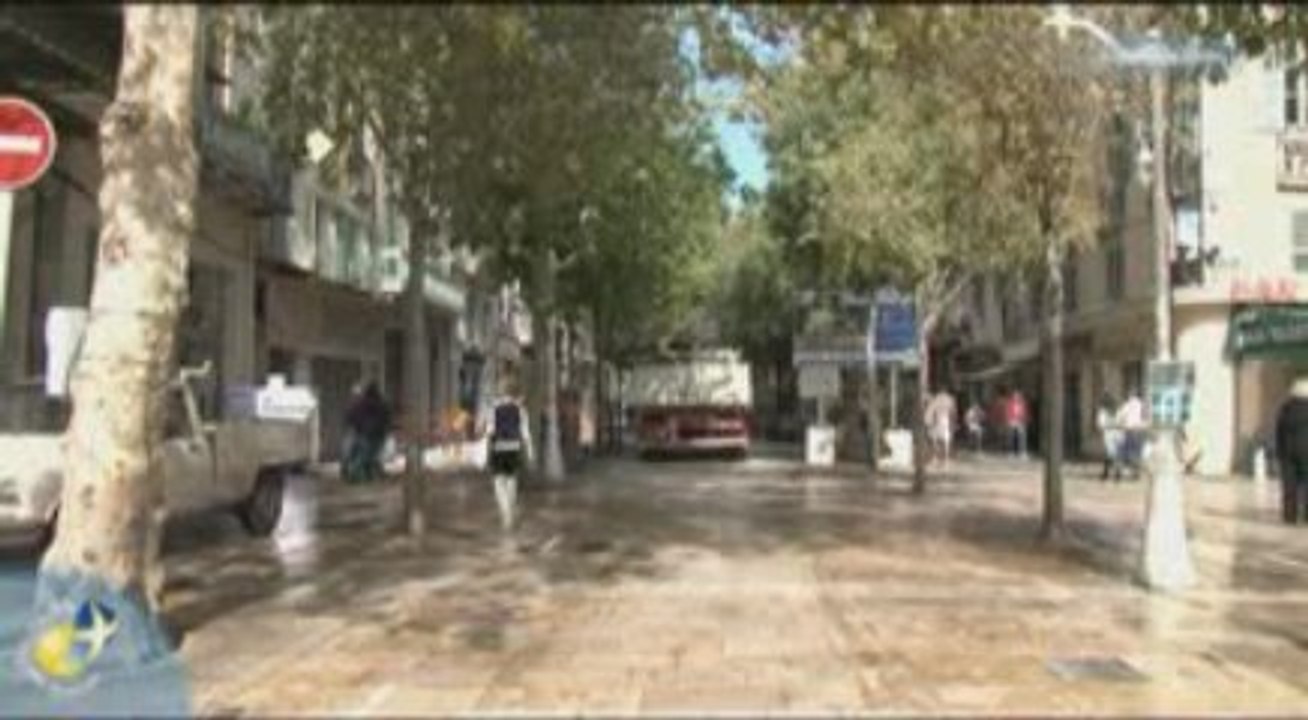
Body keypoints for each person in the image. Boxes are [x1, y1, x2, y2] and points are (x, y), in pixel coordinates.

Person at [484, 379, 533, 531]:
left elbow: (489, 431)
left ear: (501, 392)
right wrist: (530, 452)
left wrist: (486, 451)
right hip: (514, 446)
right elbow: (525, 433)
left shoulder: (494, 409)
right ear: (514, 393)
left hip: (499, 446)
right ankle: (510, 509)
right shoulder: (521, 410)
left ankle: (505, 512)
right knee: (512, 480)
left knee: (498, 481)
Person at [344, 381, 392, 484]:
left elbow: (350, 416)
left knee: (362, 455)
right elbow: (386, 417)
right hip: (375, 434)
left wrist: (357, 427)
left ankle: (364, 476)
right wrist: (386, 428)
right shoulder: (380, 403)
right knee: (367, 456)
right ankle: (355, 475)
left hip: (361, 432)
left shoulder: (359, 403)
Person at [1274, 377, 1308, 525]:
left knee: (1289, 486)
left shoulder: (1285, 408)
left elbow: (1279, 431)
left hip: (1288, 451)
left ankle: (1290, 516)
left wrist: (1279, 452)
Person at [1116, 388, 1147, 479]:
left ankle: (1127, 472)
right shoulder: (1141, 405)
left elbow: (1119, 418)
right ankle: (1136, 473)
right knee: (1137, 453)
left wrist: (1122, 424)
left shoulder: (1126, 405)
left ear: (1129, 396)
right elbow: (1145, 419)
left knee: (1127, 453)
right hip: (1139, 431)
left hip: (1129, 431)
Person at [924, 388, 958, 467]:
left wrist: (929, 422)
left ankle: (936, 458)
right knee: (946, 442)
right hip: (945, 421)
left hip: (938, 422)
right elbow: (953, 412)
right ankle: (945, 459)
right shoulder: (949, 400)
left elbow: (931, 413)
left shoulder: (935, 400)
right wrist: (953, 423)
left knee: (935, 441)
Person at [1096, 392, 1123, 482]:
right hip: (1118, 434)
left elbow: (1100, 424)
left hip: (1110, 435)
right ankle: (1109, 473)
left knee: (1112, 455)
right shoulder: (1118, 410)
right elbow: (1121, 421)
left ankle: (1114, 474)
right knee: (1113, 455)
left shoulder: (1103, 412)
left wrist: (1107, 426)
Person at [1005, 389, 1029, 458]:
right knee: (1011, 437)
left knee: (1022, 437)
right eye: (1015, 396)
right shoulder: (1010, 403)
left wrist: (1023, 421)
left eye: (1018, 396)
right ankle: (1011, 452)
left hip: (1021, 421)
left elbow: (1025, 413)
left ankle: (1022, 452)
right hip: (1013, 421)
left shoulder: (1023, 403)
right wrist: (1010, 421)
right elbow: (1008, 412)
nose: (1016, 397)